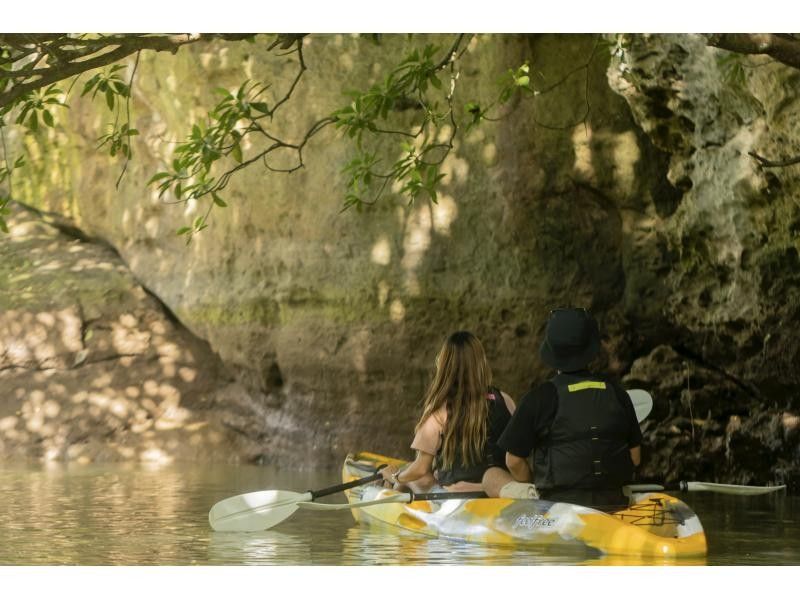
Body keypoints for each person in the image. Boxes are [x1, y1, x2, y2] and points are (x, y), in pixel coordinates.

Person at [483, 307, 642, 508]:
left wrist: (532, 483)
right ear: (592, 350)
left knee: (491, 475)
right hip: (613, 501)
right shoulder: (618, 394)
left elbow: (513, 461)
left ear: (551, 352)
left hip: (558, 506)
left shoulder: (540, 397)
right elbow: (635, 458)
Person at [380, 331, 516, 493]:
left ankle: (390, 491)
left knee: (414, 476)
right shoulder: (504, 400)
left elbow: (421, 469)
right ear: (480, 362)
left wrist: (396, 476)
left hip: (455, 498)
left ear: (445, 365)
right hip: (497, 491)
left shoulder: (440, 410)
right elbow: (517, 456)